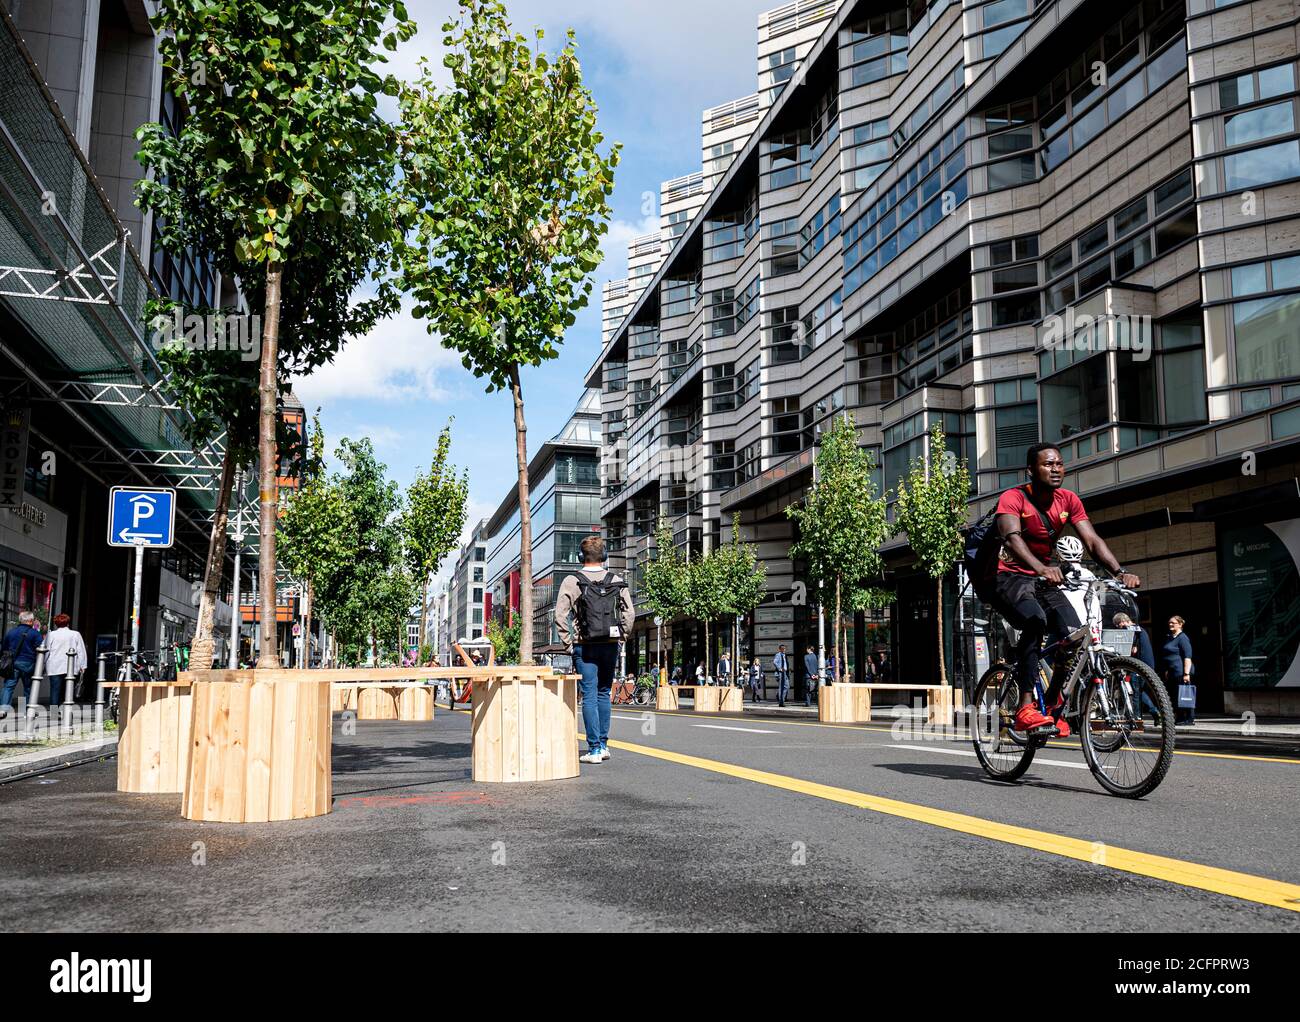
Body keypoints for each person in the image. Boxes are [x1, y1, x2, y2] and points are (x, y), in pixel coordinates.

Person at [994, 443, 1140, 738]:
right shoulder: (1013, 498)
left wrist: (1119, 571)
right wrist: (1041, 567)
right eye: (1048, 464)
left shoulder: (1068, 499)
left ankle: (1050, 705)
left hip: (1044, 578)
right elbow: (1011, 539)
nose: (1056, 469)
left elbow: (1092, 540)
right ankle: (1024, 707)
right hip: (1009, 576)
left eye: (1059, 464)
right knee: (1035, 623)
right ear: (1031, 470)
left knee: (1072, 636)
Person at [554, 536, 635, 765]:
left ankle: (594, 748)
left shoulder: (572, 580)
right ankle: (604, 744)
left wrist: (568, 643)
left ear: (581, 556)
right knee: (603, 693)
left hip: (585, 646)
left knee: (588, 694)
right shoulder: (615, 579)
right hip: (610, 645)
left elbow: (560, 615)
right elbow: (629, 614)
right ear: (605, 556)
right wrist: (622, 637)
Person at [1114, 612, 1161, 720]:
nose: (1118, 628)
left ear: (1123, 621)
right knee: (1140, 690)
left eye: (1118, 625)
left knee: (1135, 691)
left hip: (1139, 665)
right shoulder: (1140, 629)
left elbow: (1132, 649)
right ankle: (1154, 712)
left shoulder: (1131, 629)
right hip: (1148, 664)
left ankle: (1136, 717)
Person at [1, 611, 42, 719]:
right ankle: (27, 711)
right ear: (30, 621)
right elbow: (41, 649)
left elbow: (4, 648)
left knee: (8, 687)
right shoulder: (35, 634)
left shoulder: (11, 632)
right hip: (28, 663)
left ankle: (3, 710)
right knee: (28, 688)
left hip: (12, 663)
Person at [43, 613, 88, 708]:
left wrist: (43, 664)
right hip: (71, 666)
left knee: (55, 691)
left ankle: (54, 714)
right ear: (68, 623)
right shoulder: (75, 634)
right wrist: (83, 665)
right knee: (68, 691)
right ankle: (66, 711)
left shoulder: (51, 634)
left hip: (54, 666)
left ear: (56, 624)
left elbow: (46, 650)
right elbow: (81, 651)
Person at [1161, 615, 1195, 725]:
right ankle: (1179, 717)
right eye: (1169, 622)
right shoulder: (1170, 637)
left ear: (1180, 624)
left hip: (1181, 671)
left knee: (1185, 694)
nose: (1170, 624)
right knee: (1175, 695)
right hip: (1172, 672)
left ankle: (1188, 718)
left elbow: (1187, 656)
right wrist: (1166, 670)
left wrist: (1186, 673)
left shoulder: (1183, 637)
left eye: (1173, 623)